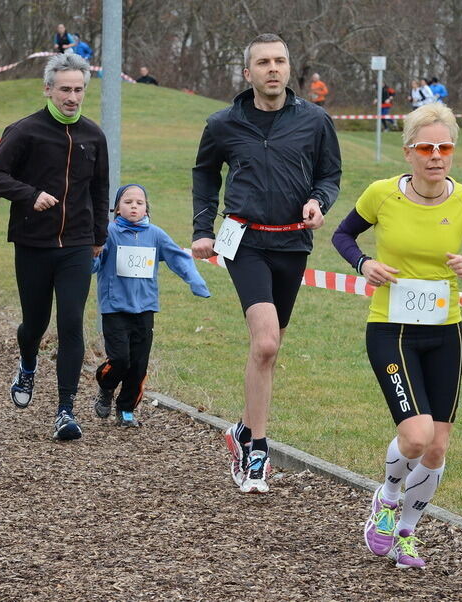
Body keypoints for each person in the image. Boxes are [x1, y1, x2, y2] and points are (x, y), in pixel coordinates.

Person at [331, 103, 462, 569]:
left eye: (444, 147)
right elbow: (343, 236)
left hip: (445, 332)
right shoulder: (382, 195)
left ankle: (406, 531)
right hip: (391, 328)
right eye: (426, 147)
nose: (436, 156)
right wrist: (364, 264)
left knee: (438, 444)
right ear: (408, 152)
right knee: (415, 435)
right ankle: (387, 499)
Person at [191, 33, 341, 494]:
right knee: (267, 343)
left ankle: (241, 428)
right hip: (246, 242)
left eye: (279, 61)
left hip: (293, 244)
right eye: (263, 62)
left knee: (268, 351)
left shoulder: (315, 120)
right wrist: (202, 228)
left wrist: (319, 202)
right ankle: (257, 450)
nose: (272, 69)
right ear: (247, 72)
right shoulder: (224, 123)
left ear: (288, 68)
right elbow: (203, 173)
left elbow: (329, 174)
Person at [0, 53, 109, 441]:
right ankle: (27, 362)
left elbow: (101, 189)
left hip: (76, 243)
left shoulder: (93, 134)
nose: (72, 97)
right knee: (34, 323)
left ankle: (65, 409)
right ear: (48, 89)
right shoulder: (24, 131)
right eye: (65, 89)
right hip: (33, 242)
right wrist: (30, 194)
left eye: (78, 89)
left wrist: (99, 237)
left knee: (71, 322)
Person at [92, 184, 210, 427]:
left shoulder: (155, 234)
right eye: (128, 202)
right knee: (120, 359)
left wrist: (195, 281)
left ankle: (126, 410)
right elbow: (94, 259)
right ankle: (106, 385)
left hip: (145, 309)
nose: (134, 206)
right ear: (116, 208)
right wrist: (89, 261)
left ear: (146, 208)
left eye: (139, 202)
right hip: (115, 308)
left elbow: (179, 258)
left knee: (138, 365)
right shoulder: (108, 233)